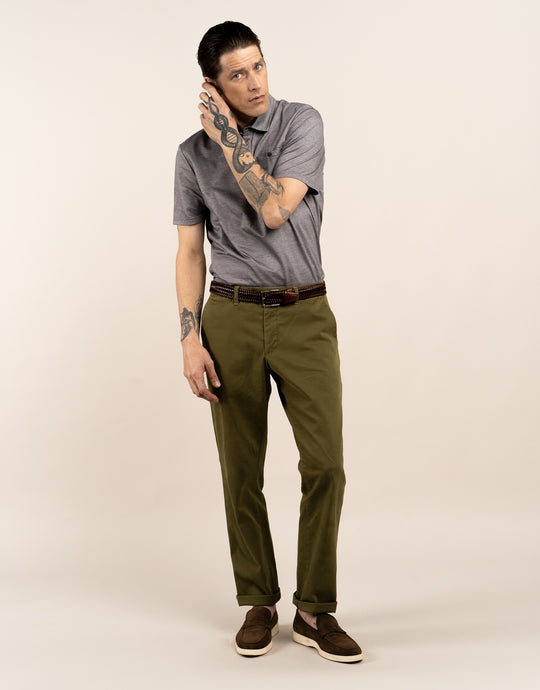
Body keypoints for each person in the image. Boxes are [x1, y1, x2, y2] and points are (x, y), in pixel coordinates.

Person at [173, 20, 363, 664]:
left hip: (304, 315)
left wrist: (228, 140)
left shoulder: (300, 122)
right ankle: (258, 599)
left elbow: (276, 207)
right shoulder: (188, 156)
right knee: (240, 470)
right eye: (237, 74)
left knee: (326, 464)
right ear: (211, 84)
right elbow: (189, 251)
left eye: (258, 66)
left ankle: (314, 608)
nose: (254, 82)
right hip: (229, 316)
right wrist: (189, 337)